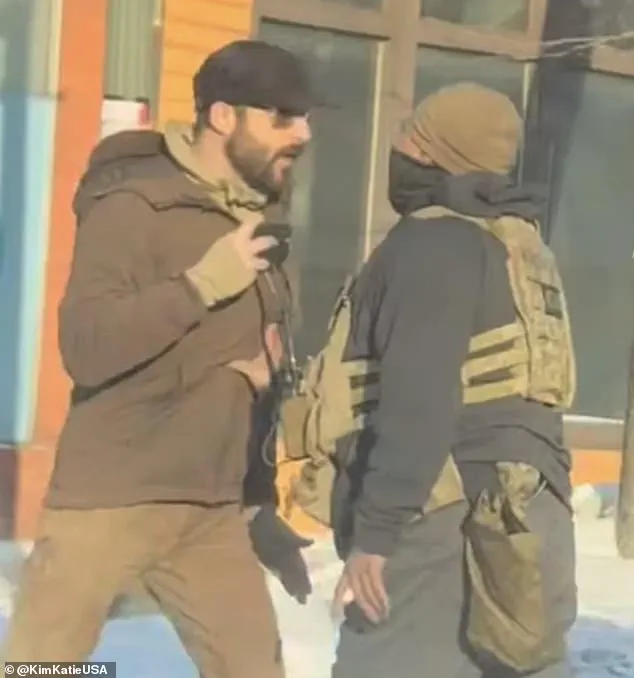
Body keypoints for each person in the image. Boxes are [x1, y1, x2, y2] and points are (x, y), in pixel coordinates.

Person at [3, 40, 315, 678]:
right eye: (283, 116)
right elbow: (86, 344)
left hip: (209, 510)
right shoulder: (134, 205)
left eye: (305, 118)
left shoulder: (253, 222)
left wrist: (259, 501)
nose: (303, 134)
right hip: (111, 498)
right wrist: (200, 285)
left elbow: (245, 376)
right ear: (223, 116)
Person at [284, 84, 578, 678]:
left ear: (432, 151)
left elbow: (418, 400)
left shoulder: (432, 243)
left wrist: (377, 535)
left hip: (444, 520)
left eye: (409, 134)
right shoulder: (518, 246)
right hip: (532, 510)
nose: (397, 145)